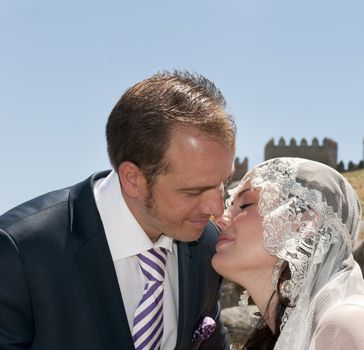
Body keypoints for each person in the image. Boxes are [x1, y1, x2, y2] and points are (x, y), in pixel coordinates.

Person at [0, 71, 235, 350]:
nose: (216, 208)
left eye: (223, 183)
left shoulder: (207, 245)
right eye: (193, 191)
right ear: (133, 179)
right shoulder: (19, 251)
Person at [212, 157, 364, 350]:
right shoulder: (278, 334)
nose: (220, 218)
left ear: (305, 223)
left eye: (244, 204)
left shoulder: (349, 325)